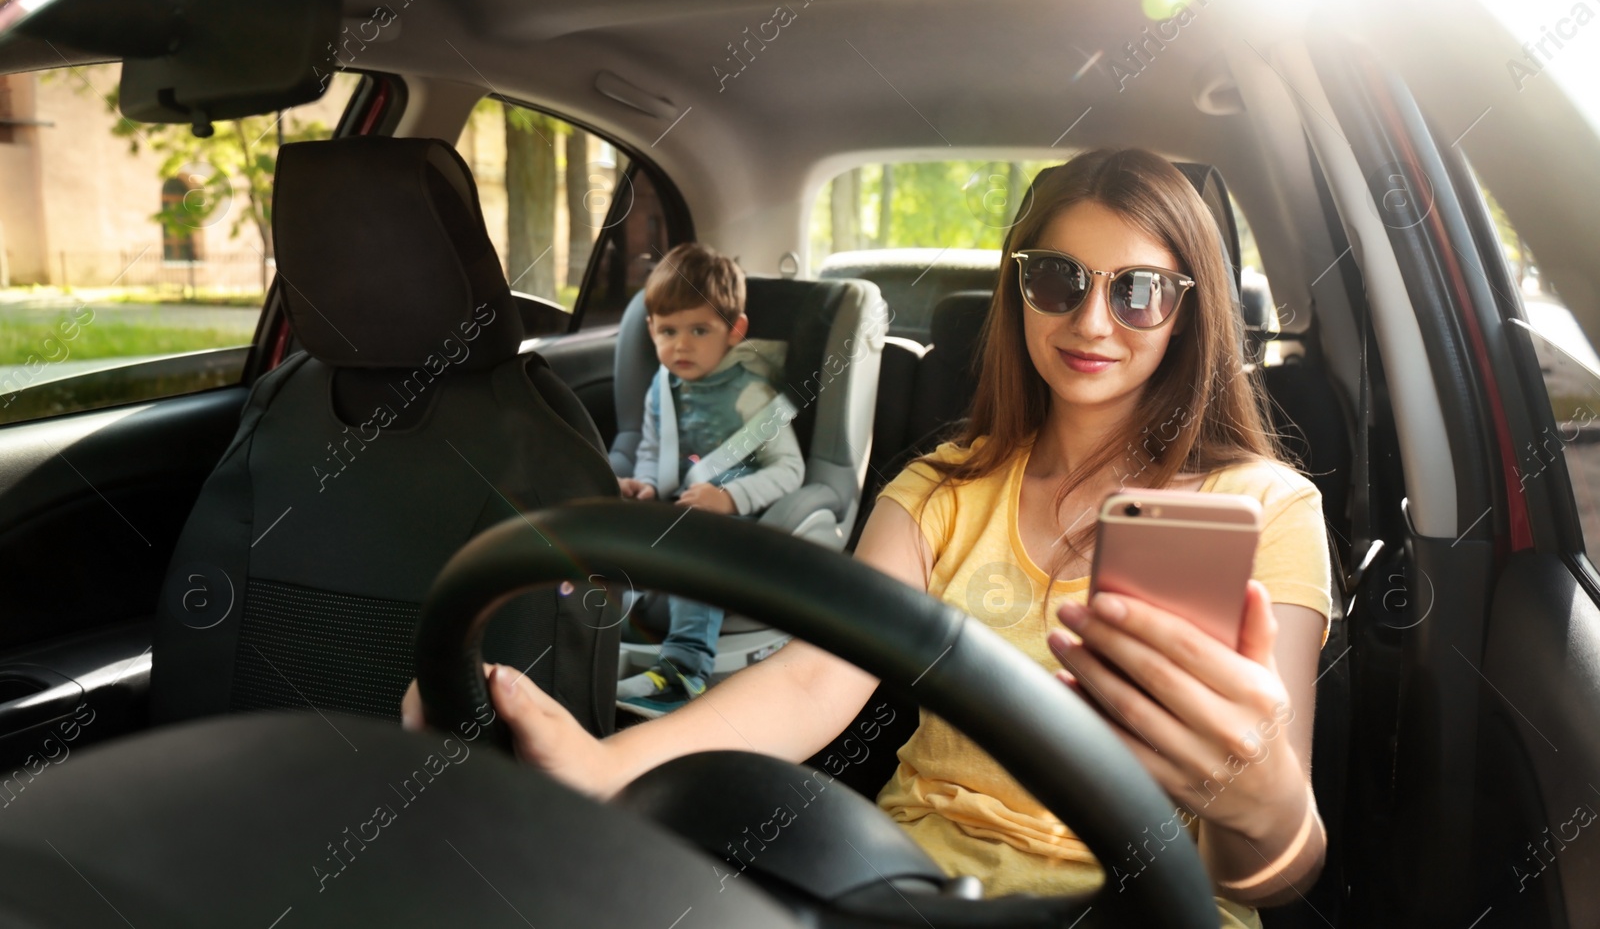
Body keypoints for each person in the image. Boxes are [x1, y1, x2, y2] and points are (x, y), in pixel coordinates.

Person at [403, 150, 1332, 927]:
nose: (1092, 320)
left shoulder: (1268, 509)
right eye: (1058, 280)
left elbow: (1269, 870)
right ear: (1018, 291)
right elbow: (813, 677)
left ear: (1190, 307)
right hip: (914, 889)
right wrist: (607, 766)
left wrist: (1268, 809)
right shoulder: (938, 488)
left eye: (1139, 292)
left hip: (1152, 902)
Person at [613, 242, 805, 717]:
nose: (681, 345)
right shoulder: (664, 387)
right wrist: (647, 485)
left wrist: (729, 497)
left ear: (734, 331)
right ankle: (597, 635)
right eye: (667, 331)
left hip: (742, 519)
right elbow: (655, 450)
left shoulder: (752, 394)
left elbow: (790, 469)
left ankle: (685, 670)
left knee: (695, 553)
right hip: (685, 506)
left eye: (700, 330)